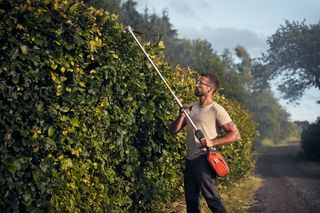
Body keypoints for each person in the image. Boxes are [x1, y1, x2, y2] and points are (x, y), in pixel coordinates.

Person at [170, 73, 240, 213]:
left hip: (204, 159)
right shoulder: (191, 108)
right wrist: (181, 115)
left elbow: (235, 134)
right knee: (191, 202)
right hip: (190, 160)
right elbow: (173, 131)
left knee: (212, 199)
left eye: (200, 83)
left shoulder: (216, 109)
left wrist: (212, 141)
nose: (196, 85)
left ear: (209, 89)